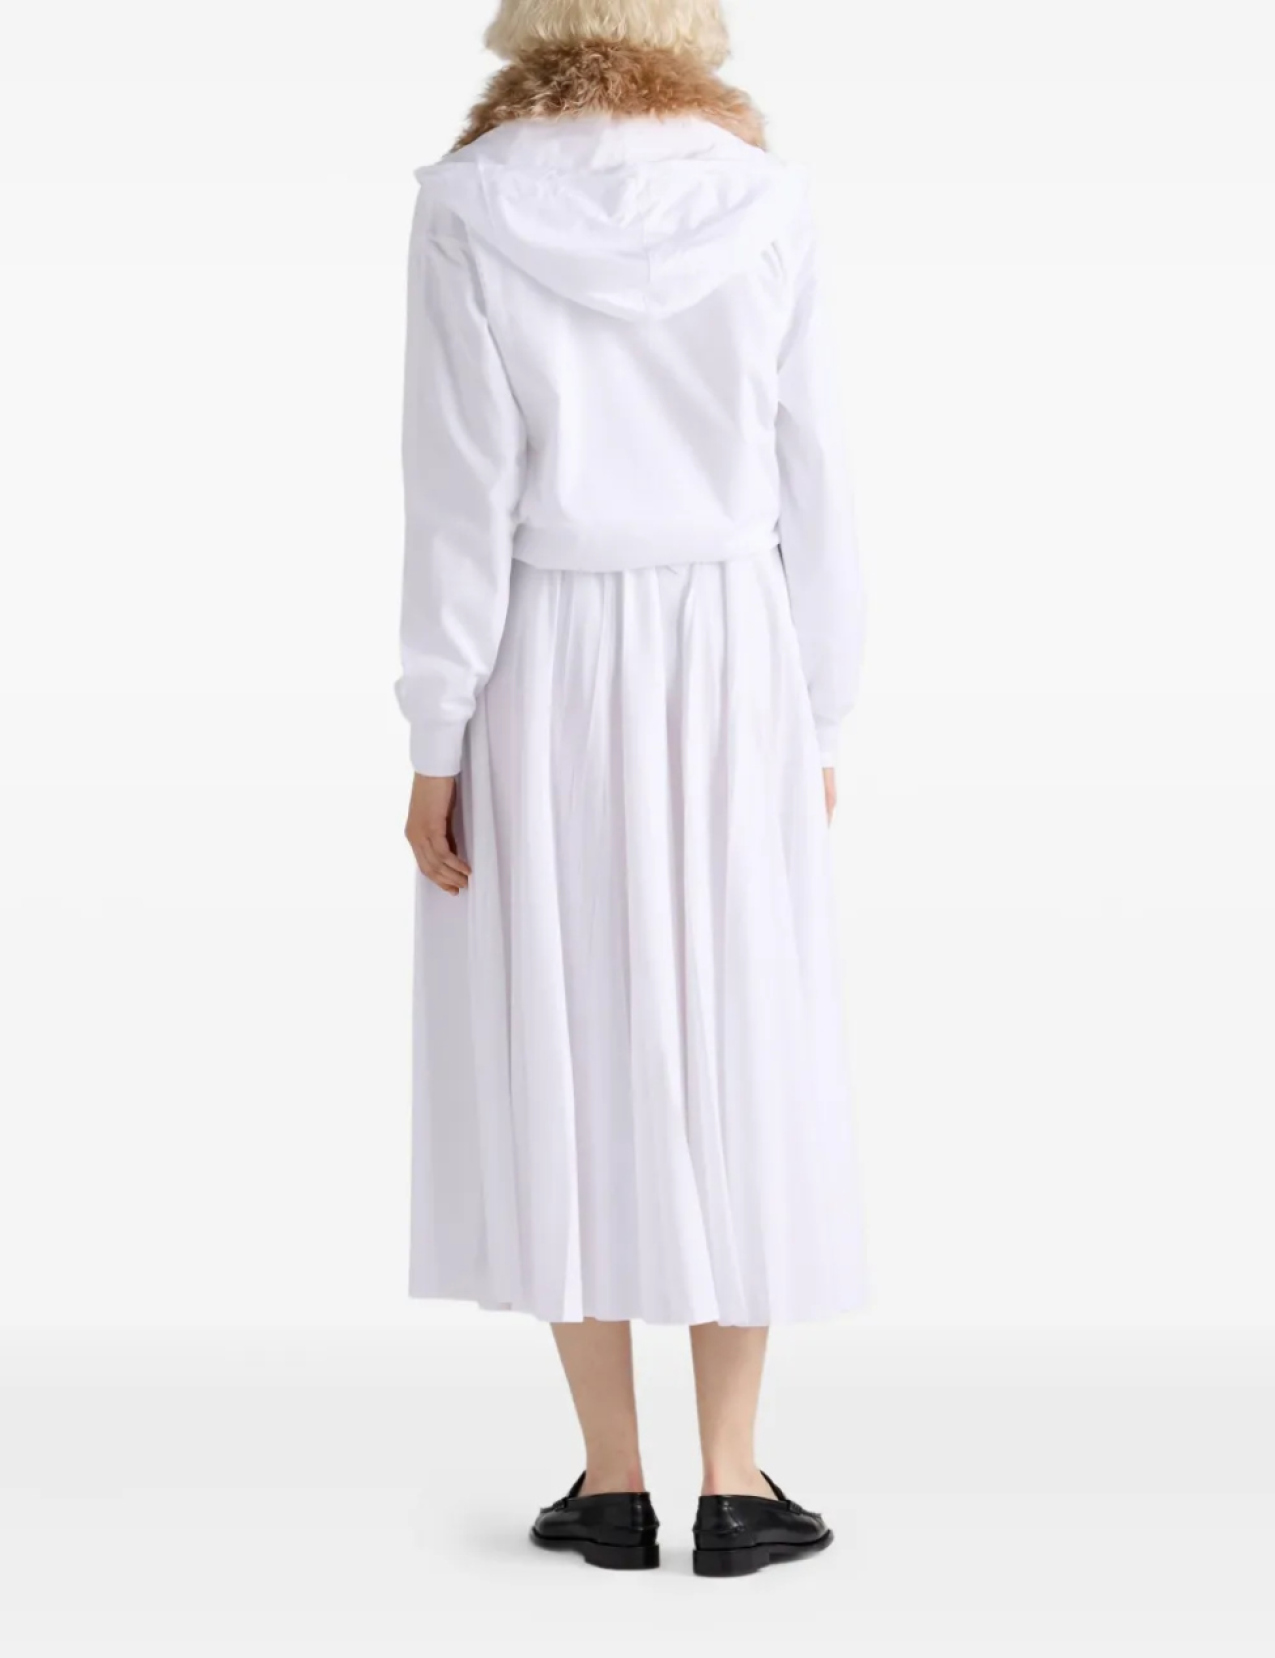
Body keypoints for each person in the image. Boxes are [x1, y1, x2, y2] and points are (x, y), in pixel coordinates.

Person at [396, 0, 865, 1578]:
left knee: (563, 1028)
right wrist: (821, 709)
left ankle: (611, 1483)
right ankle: (735, 1483)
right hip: (732, 644)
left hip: (544, 647)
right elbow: (818, 476)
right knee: (742, 1030)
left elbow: (456, 491)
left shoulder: (471, 205)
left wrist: (436, 736)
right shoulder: (765, 198)